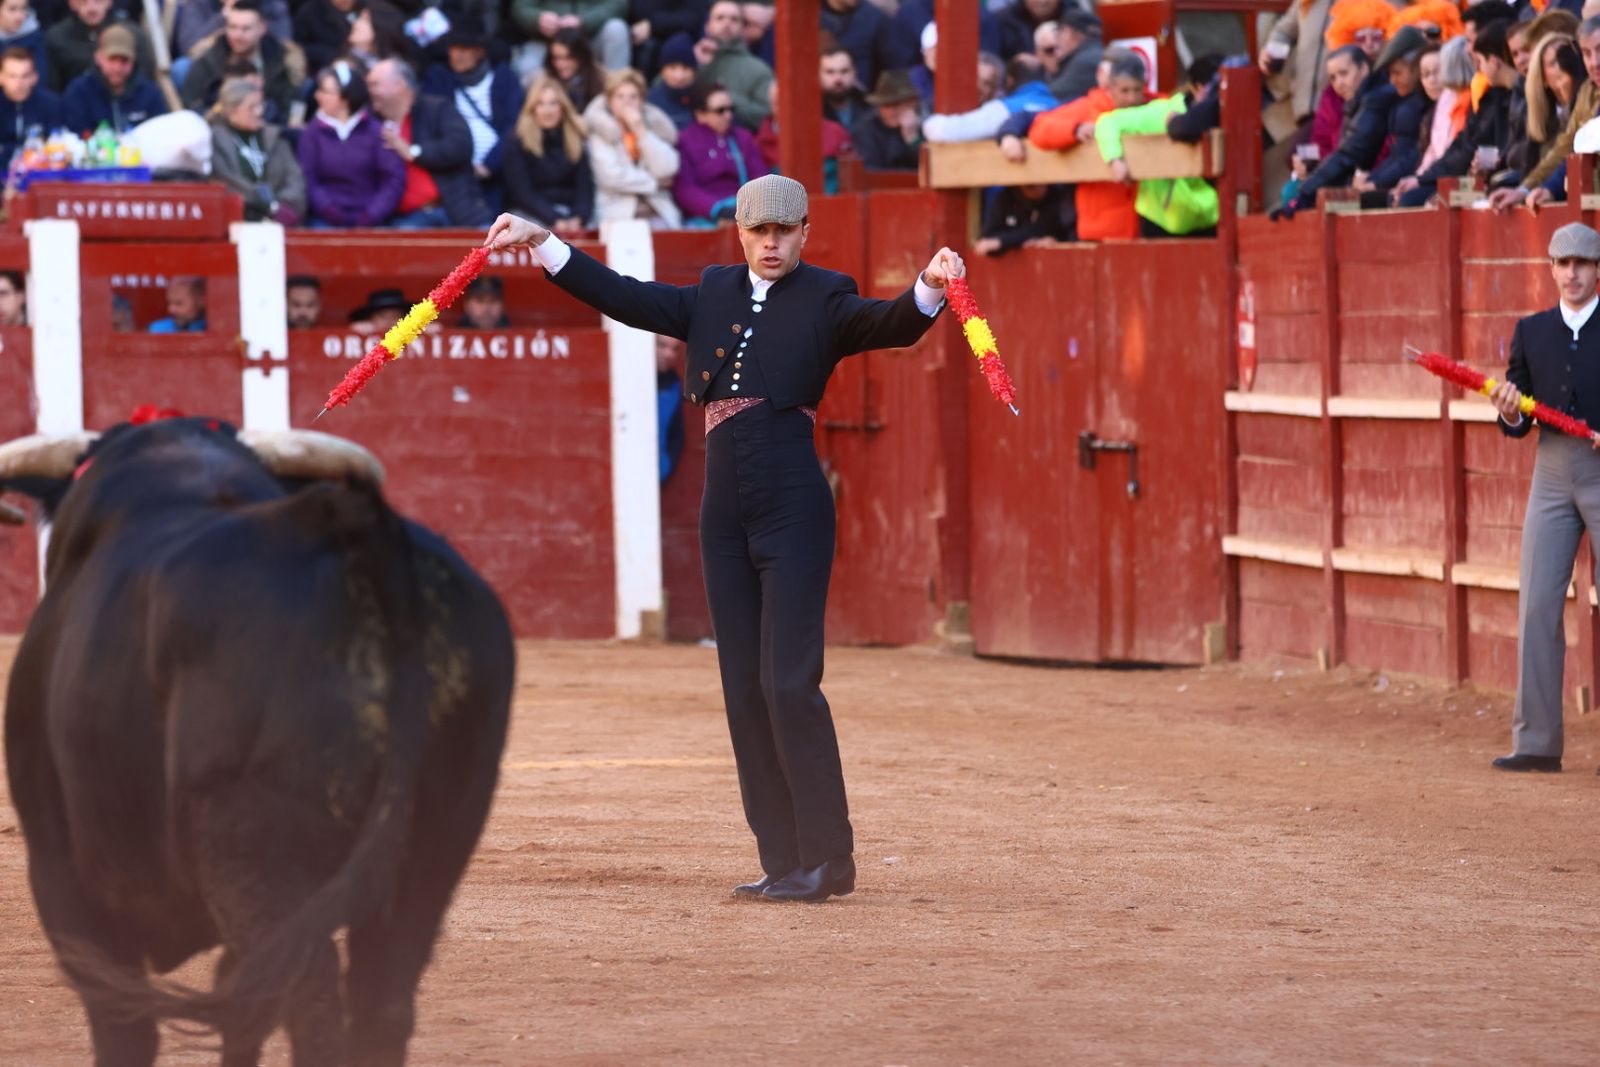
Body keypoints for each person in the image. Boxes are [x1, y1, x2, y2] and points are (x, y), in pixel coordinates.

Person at [483, 173, 965, 902]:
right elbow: (622, 295)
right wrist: (543, 239)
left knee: (787, 682)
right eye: (758, 232)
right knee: (743, 686)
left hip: (794, 507)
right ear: (740, 233)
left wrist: (929, 284)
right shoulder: (710, 292)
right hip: (723, 511)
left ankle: (829, 858)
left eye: (784, 231)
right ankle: (783, 858)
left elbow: (891, 322)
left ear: (805, 232)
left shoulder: (828, 295)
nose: (771, 244)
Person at [1488, 222, 1600, 774]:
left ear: (1597, 267)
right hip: (1552, 471)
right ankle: (1535, 741)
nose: (1572, 272)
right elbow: (1517, 420)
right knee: (1536, 603)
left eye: (1581, 262)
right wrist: (1508, 409)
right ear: (1552, 268)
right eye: (1562, 263)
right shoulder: (1531, 331)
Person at [1490, 16, 1600, 216]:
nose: (1595, 62)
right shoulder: (1587, 91)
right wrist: (1527, 189)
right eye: (1587, 53)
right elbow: (1567, 147)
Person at [366, 56, 492, 229]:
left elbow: (460, 146)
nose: (369, 91)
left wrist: (414, 151)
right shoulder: (371, 123)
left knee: (492, 246)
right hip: (407, 219)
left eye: (375, 84)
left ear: (399, 84)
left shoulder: (436, 108)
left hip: (458, 211)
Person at [421, 13, 521, 210]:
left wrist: (489, 165)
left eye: (464, 49)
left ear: (480, 52)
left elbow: (514, 126)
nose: (457, 55)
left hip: (499, 173)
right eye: (453, 48)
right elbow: (431, 125)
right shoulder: (438, 79)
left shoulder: (504, 78)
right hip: (452, 174)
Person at [298, 59, 405, 227]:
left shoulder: (376, 131)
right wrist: (328, 209)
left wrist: (371, 215)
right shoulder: (313, 133)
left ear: (345, 99)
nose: (317, 96)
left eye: (325, 91)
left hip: (371, 219)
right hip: (325, 219)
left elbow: (392, 179)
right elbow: (307, 178)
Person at [582, 66, 680, 228]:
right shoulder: (599, 132)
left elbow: (667, 169)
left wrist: (641, 131)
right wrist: (655, 183)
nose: (627, 102)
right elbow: (611, 177)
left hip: (657, 209)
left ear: (642, 101)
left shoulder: (654, 126)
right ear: (610, 102)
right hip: (617, 211)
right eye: (620, 97)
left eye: (633, 96)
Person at [181, 0, 305, 119]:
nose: (237, 35)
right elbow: (190, 104)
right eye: (232, 27)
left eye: (246, 29)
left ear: (262, 28)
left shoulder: (281, 61)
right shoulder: (210, 57)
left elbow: (291, 108)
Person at [209, 75, 305, 225]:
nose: (259, 112)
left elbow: (294, 179)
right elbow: (226, 181)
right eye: (252, 107)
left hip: (279, 221)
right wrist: (268, 205)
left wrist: (285, 207)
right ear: (232, 110)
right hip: (237, 220)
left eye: (261, 105)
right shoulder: (214, 140)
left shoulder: (275, 138)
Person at [502, 74, 592, 233]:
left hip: (570, 213)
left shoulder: (575, 138)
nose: (547, 111)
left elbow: (584, 188)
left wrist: (579, 217)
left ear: (562, 107)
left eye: (553, 103)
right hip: (532, 213)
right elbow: (522, 192)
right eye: (541, 104)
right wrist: (554, 219)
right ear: (532, 108)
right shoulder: (517, 140)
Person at [673, 80, 769, 224]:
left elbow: (759, 177)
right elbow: (685, 189)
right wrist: (717, 209)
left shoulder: (742, 137)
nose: (728, 115)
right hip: (706, 218)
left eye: (731, 109)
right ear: (700, 114)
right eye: (720, 111)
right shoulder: (685, 141)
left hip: (746, 212)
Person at [60, 22, 165, 135]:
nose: (117, 68)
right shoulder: (79, 92)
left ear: (133, 61)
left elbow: (160, 135)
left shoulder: (150, 93)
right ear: (98, 57)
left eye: (124, 61)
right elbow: (74, 138)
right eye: (112, 59)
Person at [45, 0, 154, 93]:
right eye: (83, 1)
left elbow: (144, 81)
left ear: (110, 1)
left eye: (98, 0)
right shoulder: (56, 38)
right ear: (72, 3)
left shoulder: (132, 35)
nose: (91, 8)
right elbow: (54, 88)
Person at [693, 0, 771, 129]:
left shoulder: (757, 69)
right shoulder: (692, 59)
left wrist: (729, 99)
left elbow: (771, 117)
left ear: (743, 28)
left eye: (734, 19)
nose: (726, 23)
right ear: (707, 27)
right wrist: (693, 67)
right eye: (720, 18)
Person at [849, 68, 922, 170]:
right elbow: (870, 172)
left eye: (897, 104)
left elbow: (933, 170)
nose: (892, 112)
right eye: (886, 106)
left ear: (912, 103)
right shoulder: (865, 129)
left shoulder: (927, 126)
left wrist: (913, 140)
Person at [0, 45, 61, 166]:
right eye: (12, 76)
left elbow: (57, 144)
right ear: (1, 77)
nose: (19, 83)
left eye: (25, 76)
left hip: (40, 176)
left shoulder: (50, 104)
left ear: (34, 77)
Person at [646, 31, 697, 128]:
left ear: (694, 72)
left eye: (685, 68)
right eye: (673, 68)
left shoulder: (705, 99)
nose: (679, 76)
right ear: (662, 71)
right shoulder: (650, 102)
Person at [655, 332, 684, 482]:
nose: (669, 354)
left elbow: (677, 433)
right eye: (662, 345)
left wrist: (665, 467)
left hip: (656, 476)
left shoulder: (675, 385)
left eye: (675, 349)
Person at [0, 0, 46, 88]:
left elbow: (41, 78)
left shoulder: (34, 37)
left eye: (24, 9)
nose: (19, 16)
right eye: (12, 9)